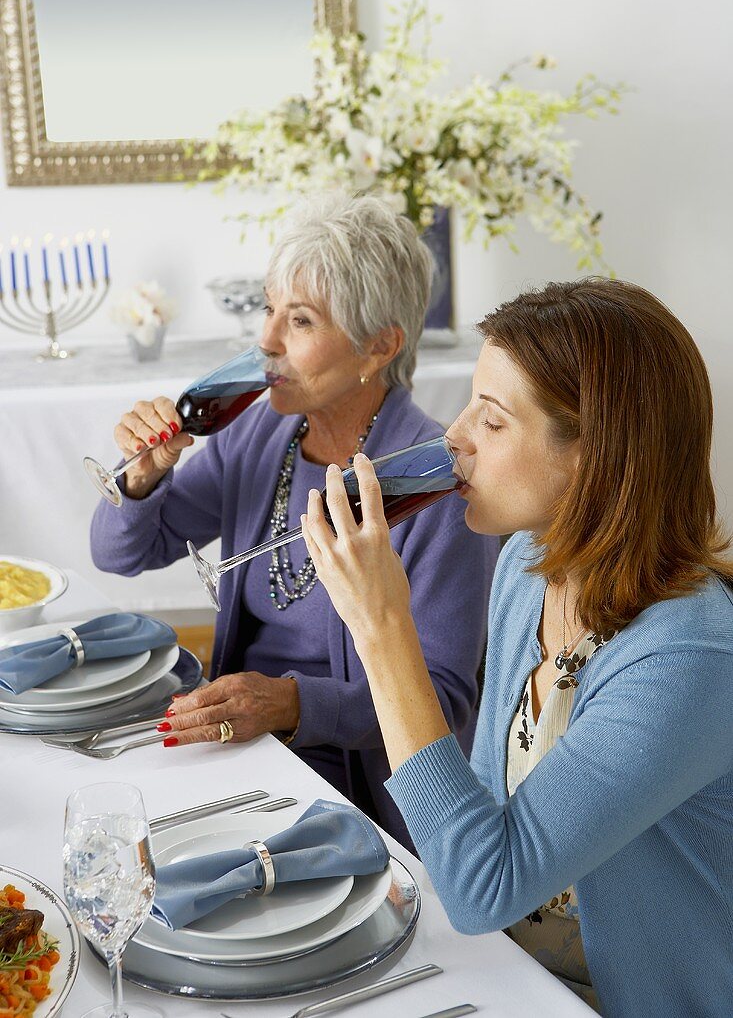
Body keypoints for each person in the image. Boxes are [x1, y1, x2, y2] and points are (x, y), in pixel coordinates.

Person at [300, 277, 733, 1017]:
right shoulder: (527, 568)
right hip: (513, 982)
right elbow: (482, 806)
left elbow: (482, 884)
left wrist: (381, 627)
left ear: (594, 457)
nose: (453, 436)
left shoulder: (686, 661)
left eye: (492, 421)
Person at [90, 194, 499, 846]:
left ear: (378, 347)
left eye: (301, 320)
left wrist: (290, 704)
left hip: (353, 789)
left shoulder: (433, 492)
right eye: (268, 308)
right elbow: (122, 554)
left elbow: (445, 703)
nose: (266, 341)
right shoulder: (255, 436)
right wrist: (142, 477)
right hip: (242, 748)